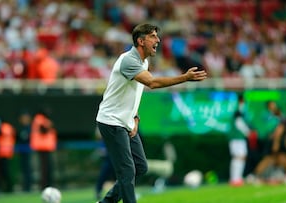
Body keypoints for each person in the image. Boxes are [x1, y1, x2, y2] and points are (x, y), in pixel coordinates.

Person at [96, 23, 207, 203]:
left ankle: (106, 202)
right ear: (140, 41)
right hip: (111, 121)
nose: (158, 40)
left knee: (140, 167)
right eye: (153, 36)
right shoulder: (129, 60)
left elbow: (133, 91)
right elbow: (152, 83)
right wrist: (184, 78)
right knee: (127, 171)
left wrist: (135, 116)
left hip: (126, 121)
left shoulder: (143, 61)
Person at [228, 93, 252, 187]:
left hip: (239, 137)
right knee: (237, 157)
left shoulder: (240, 110)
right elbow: (239, 123)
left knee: (241, 157)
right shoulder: (238, 110)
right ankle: (234, 179)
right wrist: (248, 132)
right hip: (236, 137)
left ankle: (238, 178)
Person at [30, 108, 57, 190]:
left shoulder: (42, 119)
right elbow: (43, 130)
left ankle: (48, 185)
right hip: (42, 146)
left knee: (47, 167)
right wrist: (49, 125)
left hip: (45, 146)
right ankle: (45, 186)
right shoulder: (39, 119)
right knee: (45, 168)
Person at [17, 110, 33, 192]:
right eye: (22, 118)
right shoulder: (21, 128)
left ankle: (28, 187)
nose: (24, 119)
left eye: (26, 118)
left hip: (29, 152)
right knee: (24, 170)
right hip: (22, 152)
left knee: (28, 170)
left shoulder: (31, 128)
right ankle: (26, 187)